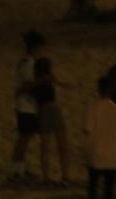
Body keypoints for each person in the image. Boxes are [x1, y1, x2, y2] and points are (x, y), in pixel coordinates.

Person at [85, 75, 116, 199]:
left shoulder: (92, 107)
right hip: (111, 156)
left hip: (95, 154)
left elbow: (87, 129)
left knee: (93, 188)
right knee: (109, 190)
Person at [9, 30, 46, 184]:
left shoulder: (25, 62)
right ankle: (16, 173)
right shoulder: (29, 64)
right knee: (23, 139)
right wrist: (42, 81)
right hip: (26, 106)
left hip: (26, 105)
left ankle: (20, 169)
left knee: (24, 138)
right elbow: (26, 85)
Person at [35, 57, 70, 187]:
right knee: (60, 146)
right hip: (51, 110)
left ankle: (48, 177)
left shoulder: (41, 80)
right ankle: (64, 177)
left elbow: (59, 83)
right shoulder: (43, 80)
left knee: (46, 147)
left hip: (44, 111)